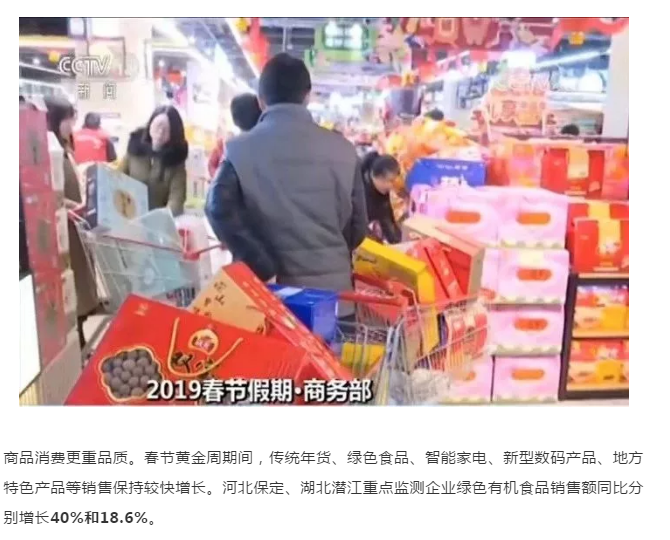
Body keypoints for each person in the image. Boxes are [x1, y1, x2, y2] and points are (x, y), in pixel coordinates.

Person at [206, 53, 368, 302]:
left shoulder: (238, 150)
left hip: (268, 298)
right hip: (334, 298)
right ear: (307, 96)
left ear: (261, 101)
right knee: (332, 330)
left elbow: (217, 209)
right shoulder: (345, 150)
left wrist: (260, 262)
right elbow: (358, 227)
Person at [44, 96, 99, 350]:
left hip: (76, 226)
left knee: (82, 283)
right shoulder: (49, 149)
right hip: (64, 229)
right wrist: (68, 207)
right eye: (68, 118)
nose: (72, 123)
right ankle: (77, 341)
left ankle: (81, 336)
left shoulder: (64, 146)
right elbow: (49, 192)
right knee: (72, 286)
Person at [119, 105, 188, 216]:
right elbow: (117, 178)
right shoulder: (134, 150)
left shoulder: (176, 161)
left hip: (157, 219)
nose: (160, 133)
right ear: (150, 124)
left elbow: (176, 200)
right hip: (127, 213)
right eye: (158, 126)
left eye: (166, 130)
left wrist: (161, 219)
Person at [361, 152, 402, 245]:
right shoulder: (361, 195)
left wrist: (397, 240)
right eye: (390, 181)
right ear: (379, 177)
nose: (392, 186)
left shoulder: (381, 189)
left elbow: (386, 216)